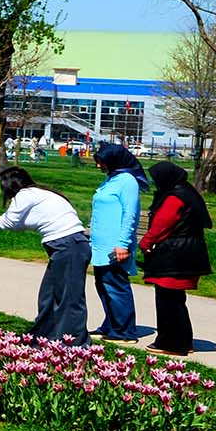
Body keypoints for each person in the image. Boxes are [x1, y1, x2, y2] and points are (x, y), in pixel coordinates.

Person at [0, 165, 90, 345]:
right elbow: (17, 223)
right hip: (67, 246)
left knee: (69, 298)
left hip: (68, 246)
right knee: (49, 296)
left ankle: (76, 344)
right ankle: (45, 337)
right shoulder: (38, 193)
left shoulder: (25, 195)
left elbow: (8, 224)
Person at [140, 161, 213, 356]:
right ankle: (184, 341)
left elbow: (162, 224)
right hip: (189, 252)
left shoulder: (174, 197)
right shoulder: (188, 192)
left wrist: (146, 243)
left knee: (168, 302)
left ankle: (171, 343)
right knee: (176, 300)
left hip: (175, 255)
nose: (155, 183)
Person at [88, 143, 148, 342]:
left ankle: (124, 331)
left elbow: (130, 215)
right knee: (103, 285)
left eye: (102, 162)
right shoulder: (111, 179)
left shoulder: (127, 181)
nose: (99, 166)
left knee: (116, 286)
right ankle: (111, 324)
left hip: (115, 244)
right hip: (100, 244)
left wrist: (123, 243)